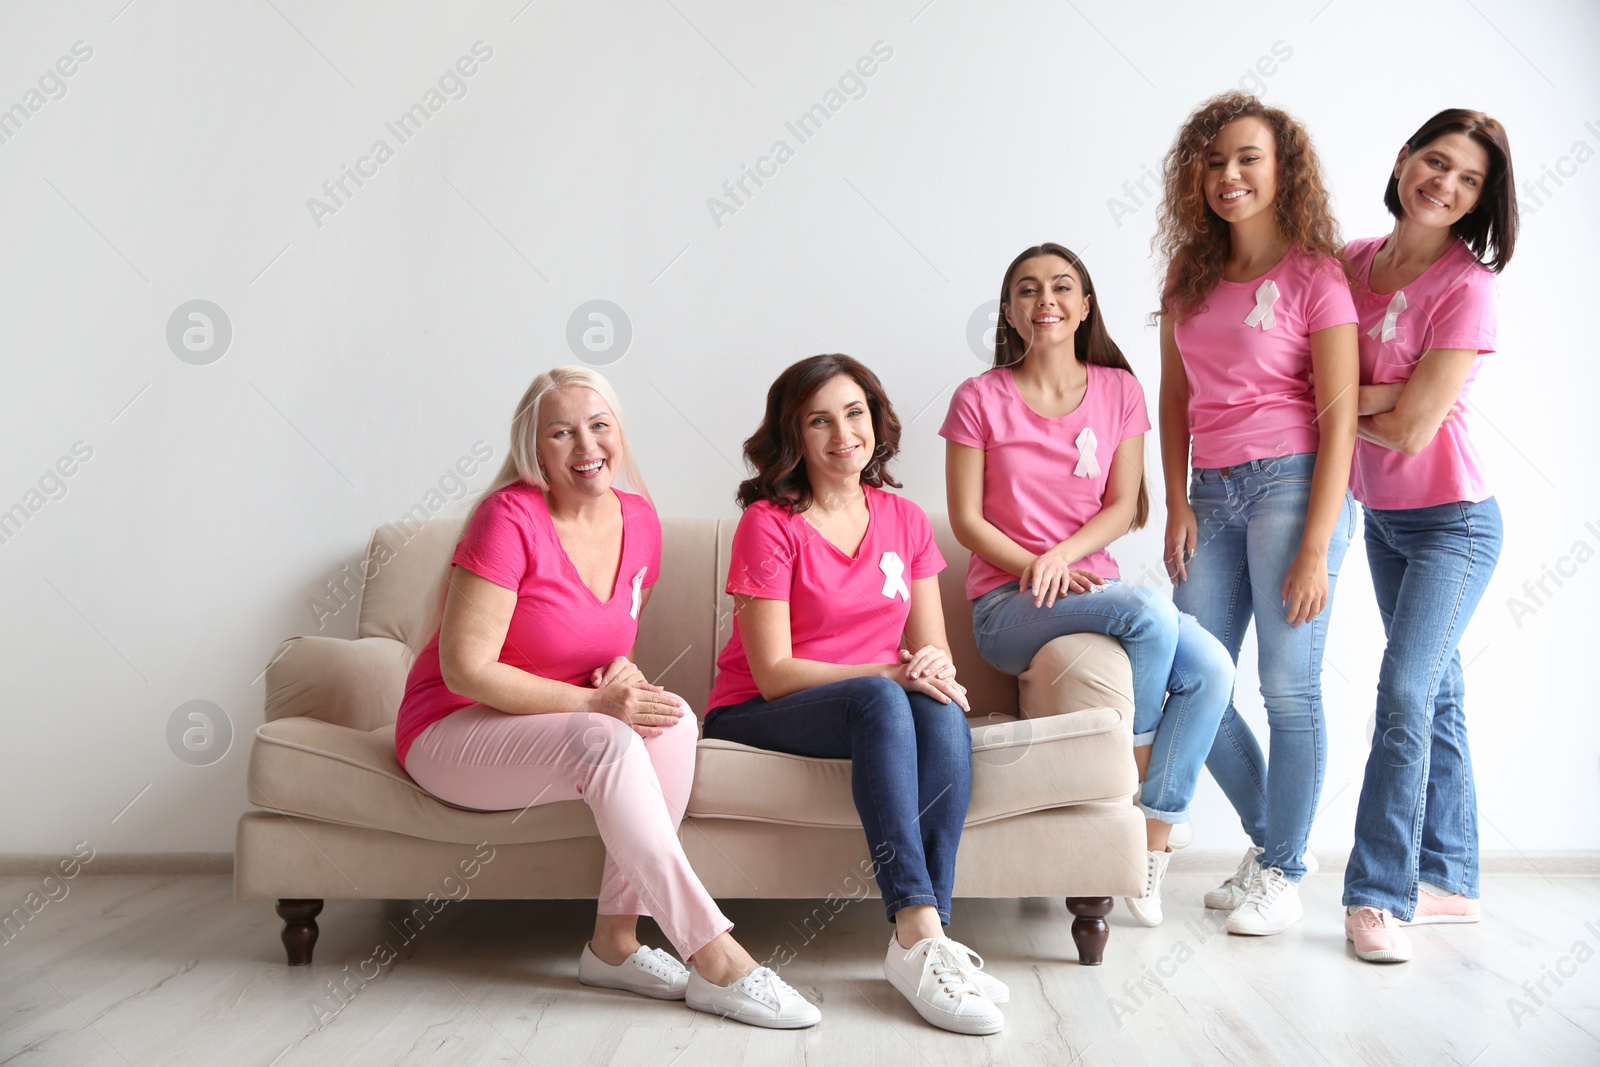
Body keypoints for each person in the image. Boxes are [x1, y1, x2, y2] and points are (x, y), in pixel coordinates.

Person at [393, 365, 820, 1028]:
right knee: (607, 736)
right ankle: (714, 953)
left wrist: (617, 672)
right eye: (560, 432)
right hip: (449, 728)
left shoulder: (640, 522)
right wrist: (594, 705)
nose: (584, 444)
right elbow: (465, 670)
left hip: (544, 724)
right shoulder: (508, 518)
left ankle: (614, 943)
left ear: (619, 434)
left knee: (672, 721)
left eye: (598, 425)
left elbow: (601, 639)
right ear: (534, 450)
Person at [702, 354, 1006, 1036]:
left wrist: (923, 670)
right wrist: (890, 674)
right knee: (885, 695)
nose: (843, 433)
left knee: (938, 698)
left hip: (873, 702)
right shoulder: (768, 523)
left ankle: (927, 942)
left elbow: (932, 656)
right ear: (794, 436)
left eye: (854, 413)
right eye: (819, 419)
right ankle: (913, 925)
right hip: (758, 709)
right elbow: (774, 670)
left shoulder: (904, 518)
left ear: (876, 421)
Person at [941, 242, 1233, 927]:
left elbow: (1121, 502)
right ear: (1009, 311)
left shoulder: (1118, 390)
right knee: (1147, 609)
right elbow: (965, 518)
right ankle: (1131, 773)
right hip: (1007, 606)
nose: (1045, 299)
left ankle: (1151, 841)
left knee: (1213, 668)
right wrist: (1031, 566)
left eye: (1061, 286)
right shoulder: (978, 398)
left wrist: (1061, 556)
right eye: (1027, 289)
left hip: (1088, 591)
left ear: (1084, 305)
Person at [1154, 92, 1359, 936]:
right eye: (1213, 161)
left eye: (1247, 158)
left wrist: (1316, 543)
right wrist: (1175, 500)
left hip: (1293, 483)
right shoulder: (1187, 278)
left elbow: (1341, 409)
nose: (1228, 175)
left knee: (1286, 683)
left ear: (1283, 171)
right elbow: (1175, 397)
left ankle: (1278, 867)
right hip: (1213, 491)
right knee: (1190, 676)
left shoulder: (1317, 274)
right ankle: (1279, 848)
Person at [1339, 109, 1516, 963]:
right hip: (1384, 521)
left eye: (1468, 179)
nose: (1444, 184)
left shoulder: (1465, 285)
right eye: (1435, 162)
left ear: (1482, 198)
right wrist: (1379, 395)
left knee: (1405, 693)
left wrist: (1351, 398)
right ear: (1405, 158)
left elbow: (1412, 431)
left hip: (1456, 525)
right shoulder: (1351, 264)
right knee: (1436, 695)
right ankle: (1451, 880)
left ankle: (1379, 893)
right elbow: (1306, 374)